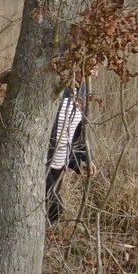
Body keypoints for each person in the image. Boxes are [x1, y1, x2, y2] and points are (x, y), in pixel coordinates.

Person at [46, 76, 98, 224]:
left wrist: (88, 158)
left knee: (48, 210)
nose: (95, 71)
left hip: (61, 160)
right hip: (43, 158)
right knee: (54, 207)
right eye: (94, 66)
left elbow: (80, 130)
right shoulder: (57, 86)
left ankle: (46, 236)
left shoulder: (83, 91)